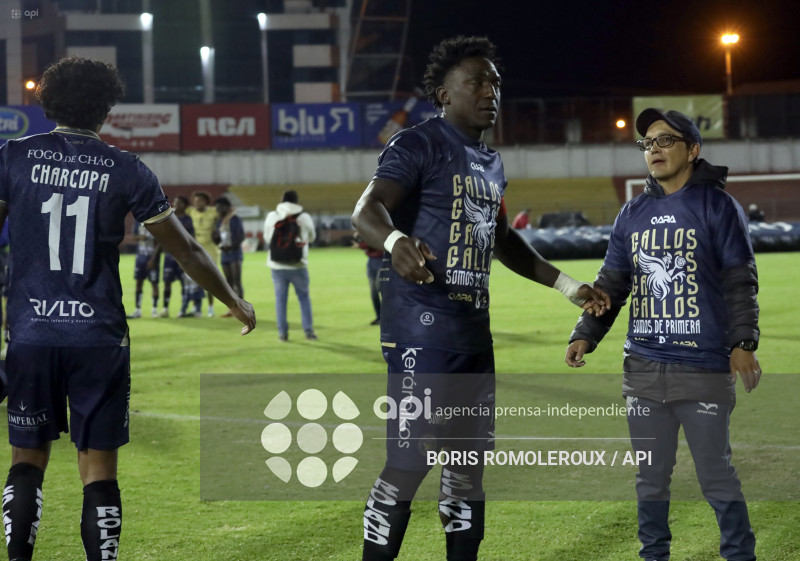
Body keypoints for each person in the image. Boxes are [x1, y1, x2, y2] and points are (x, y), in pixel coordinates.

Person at [351, 36, 608, 561]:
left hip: (472, 335)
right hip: (422, 335)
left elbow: (503, 240)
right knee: (409, 461)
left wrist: (567, 286)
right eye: (477, 82)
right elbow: (367, 209)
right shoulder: (417, 144)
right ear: (445, 94)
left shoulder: (490, 161)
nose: (490, 91)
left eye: (495, 82)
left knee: (467, 466)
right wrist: (396, 240)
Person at [0, 56, 256, 561]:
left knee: (26, 458)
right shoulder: (126, 168)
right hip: (99, 339)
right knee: (98, 469)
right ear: (107, 109)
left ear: (47, 103)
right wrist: (231, 298)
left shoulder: (13, 157)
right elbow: (184, 249)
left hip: (31, 334)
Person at [565, 108, 760, 561]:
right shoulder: (632, 212)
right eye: (648, 143)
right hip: (644, 369)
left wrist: (743, 343)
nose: (654, 148)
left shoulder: (718, 206)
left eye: (665, 140)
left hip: (703, 368)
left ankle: (740, 555)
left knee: (715, 475)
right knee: (650, 477)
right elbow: (612, 283)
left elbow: (739, 280)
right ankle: (654, 556)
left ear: (693, 149)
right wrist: (586, 333)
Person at [264, 190, 317, 341]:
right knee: (304, 297)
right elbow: (312, 237)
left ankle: (283, 333)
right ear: (297, 201)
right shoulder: (304, 217)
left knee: (280, 299)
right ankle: (308, 331)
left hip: (277, 265)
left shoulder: (272, 216)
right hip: (298, 264)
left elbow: (268, 239)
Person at [158, 195, 193, 318]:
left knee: (184, 283)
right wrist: (156, 256)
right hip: (169, 256)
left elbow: (191, 237)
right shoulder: (167, 218)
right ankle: (165, 308)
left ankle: (183, 309)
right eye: (174, 201)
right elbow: (161, 238)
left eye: (178, 202)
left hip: (182, 256)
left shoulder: (188, 220)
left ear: (184, 205)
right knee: (167, 282)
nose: (175, 204)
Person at [187, 190, 219, 316]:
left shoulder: (213, 211)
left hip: (210, 248)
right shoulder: (191, 211)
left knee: (210, 279)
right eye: (195, 201)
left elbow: (230, 211)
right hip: (195, 249)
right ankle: (196, 307)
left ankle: (211, 307)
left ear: (206, 201)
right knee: (196, 279)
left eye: (199, 200)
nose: (197, 203)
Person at [212, 196, 245, 316]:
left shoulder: (235, 219)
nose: (219, 210)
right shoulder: (219, 221)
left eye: (221, 207)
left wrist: (232, 246)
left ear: (227, 207)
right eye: (217, 208)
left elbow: (241, 236)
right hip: (225, 254)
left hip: (235, 253)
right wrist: (215, 237)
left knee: (237, 281)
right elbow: (217, 240)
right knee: (229, 283)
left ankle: (242, 309)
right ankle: (232, 309)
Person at [128, 220, 160, 318]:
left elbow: (160, 242)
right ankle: (137, 310)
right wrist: (140, 237)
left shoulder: (155, 221)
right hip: (140, 256)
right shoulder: (137, 222)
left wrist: (154, 259)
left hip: (152, 256)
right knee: (139, 282)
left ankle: (154, 310)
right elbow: (133, 237)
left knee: (154, 283)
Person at [354, 232, 383, 325]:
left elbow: (373, 243)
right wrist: (360, 237)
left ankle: (388, 316)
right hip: (371, 261)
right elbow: (366, 244)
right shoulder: (367, 228)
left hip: (382, 260)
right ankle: (379, 317)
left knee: (381, 288)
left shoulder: (379, 228)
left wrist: (360, 243)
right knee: (373, 292)